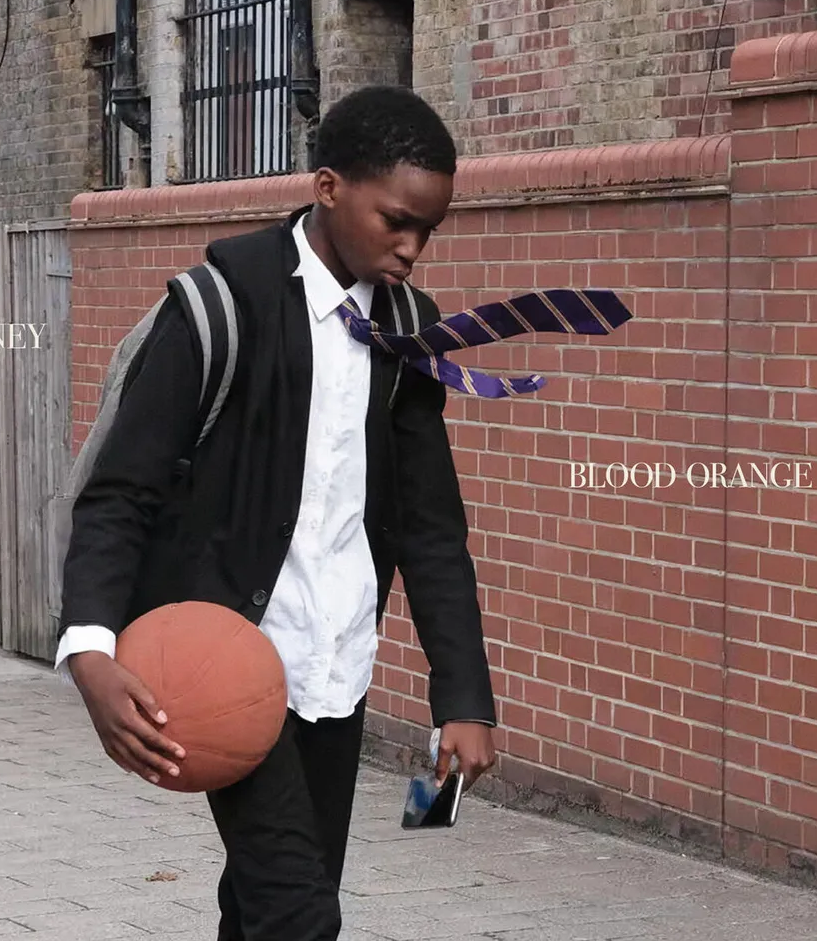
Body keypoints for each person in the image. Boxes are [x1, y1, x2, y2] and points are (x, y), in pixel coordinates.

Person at [56, 84, 498, 941]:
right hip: (222, 664)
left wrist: (464, 698)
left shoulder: (410, 330)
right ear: (328, 187)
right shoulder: (219, 307)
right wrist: (90, 651)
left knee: (268, 904)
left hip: (338, 665)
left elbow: (430, 527)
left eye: (428, 230)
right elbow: (122, 492)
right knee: (300, 913)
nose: (412, 248)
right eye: (396, 222)